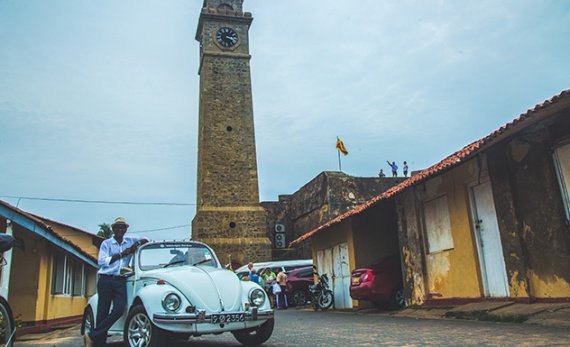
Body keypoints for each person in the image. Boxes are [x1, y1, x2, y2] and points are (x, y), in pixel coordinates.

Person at [83, 217, 149, 347]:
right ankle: (98, 343)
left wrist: (137, 244)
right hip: (106, 279)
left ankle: (92, 335)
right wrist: (122, 254)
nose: (120, 229)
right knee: (102, 311)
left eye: (122, 227)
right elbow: (101, 262)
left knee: (119, 309)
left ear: (125, 229)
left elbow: (147, 239)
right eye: (117, 227)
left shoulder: (129, 241)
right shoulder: (107, 244)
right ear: (113, 229)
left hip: (120, 280)